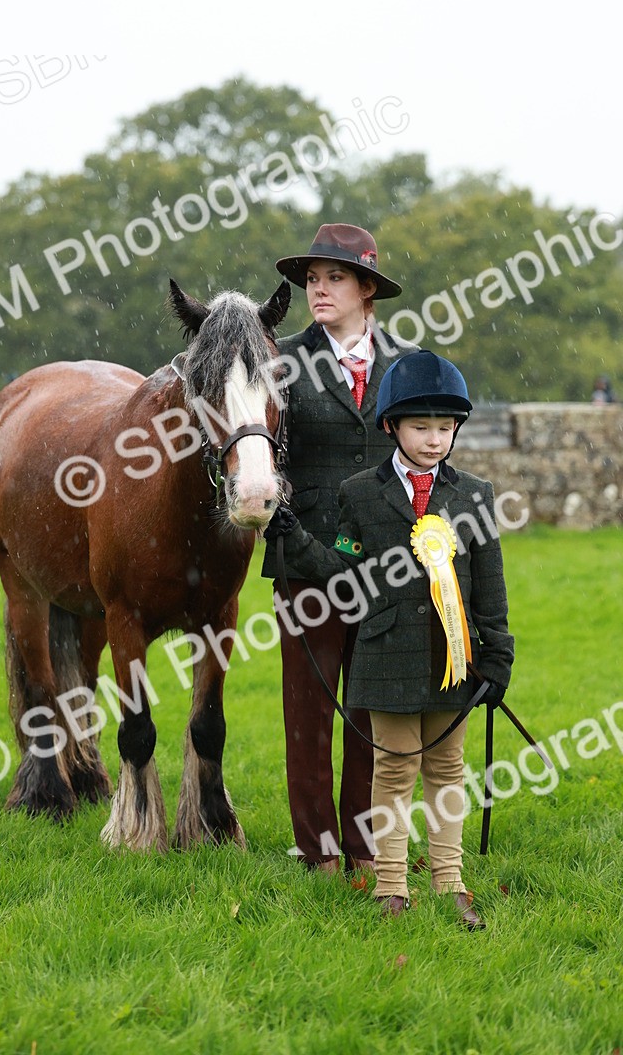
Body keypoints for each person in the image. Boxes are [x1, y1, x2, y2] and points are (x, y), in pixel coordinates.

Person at [267, 350, 514, 928]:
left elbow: (491, 588)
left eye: (446, 428)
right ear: (390, 427)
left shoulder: (474, 495)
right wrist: (296, 541)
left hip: (455, 659)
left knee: (448, 771)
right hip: (385, 657)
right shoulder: (358, 493)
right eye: (421, 427)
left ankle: (451, 882)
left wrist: (497, 657)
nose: (434, 440)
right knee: (394, 768)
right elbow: (344, 566)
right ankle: (392, 885)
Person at [263, 223, 414, 877]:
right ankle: (318, 851)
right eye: (312, 280)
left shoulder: (408, 364)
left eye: (334, 278)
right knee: (308, 712)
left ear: (367, 287)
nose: (318, 290)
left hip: (386, 564)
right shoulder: (279, 362)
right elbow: (263, 458)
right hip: (304, 557)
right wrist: (292, 532)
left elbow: (421, 455)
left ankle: (363, 847)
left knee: (369, 712)